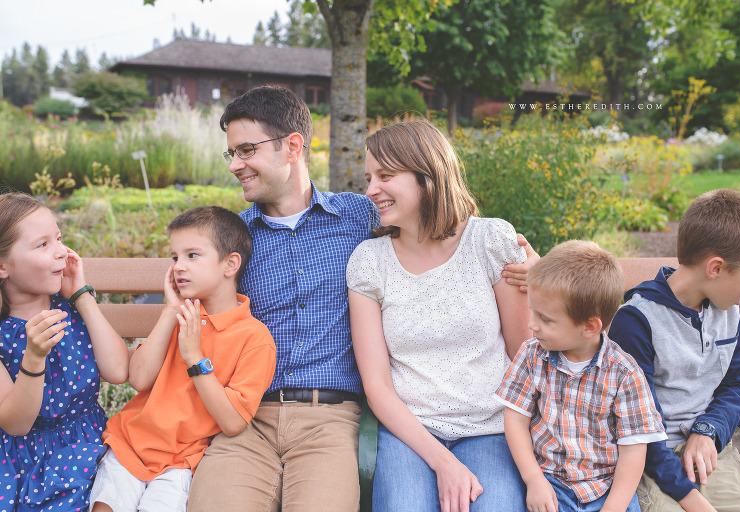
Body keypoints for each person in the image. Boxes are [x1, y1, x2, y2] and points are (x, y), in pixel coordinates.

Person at [187, 86, 538, 512]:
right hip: (247, 415)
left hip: (332, 418)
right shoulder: (232, 242)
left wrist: (540, 272)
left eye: (245, 150)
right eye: (232, 154)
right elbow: (187, 289)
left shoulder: (360, 217)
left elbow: (441, 226)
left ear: (293, 146)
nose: (236, 165)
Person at [346, 120, 531, 512]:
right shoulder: (369, 261)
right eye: (368, 178)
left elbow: (524, 355)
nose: (370, 190)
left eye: (385, 176)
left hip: (492, 428)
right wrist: (443, 462)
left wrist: (548, 278)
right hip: (409, 430)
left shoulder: (490, 241)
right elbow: (377, 385)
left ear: (427, 175)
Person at [90, 206, 276, 512]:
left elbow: (232, 422)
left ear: (230, 264)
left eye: (192, 255)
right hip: (131, 444)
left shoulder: (254, 338)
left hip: (183, 461)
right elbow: (138, 379)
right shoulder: (178, 317)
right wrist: (170, 312)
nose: (179, 266)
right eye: (175, 257)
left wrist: (193, 356)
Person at [608, 188, 740, 512]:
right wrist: (689, 497)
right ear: (716, 268)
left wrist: (708, 430)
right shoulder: (637, 322)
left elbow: (739, 385)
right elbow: (638, 423)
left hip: (710, 454)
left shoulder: (728, 311)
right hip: (651, 461)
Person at [496, 240, 667, 512]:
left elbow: (633, 450)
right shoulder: (532, 355)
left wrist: (614, 507)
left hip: (606, 487)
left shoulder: (624, 374)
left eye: (545, 319)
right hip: (549, 481)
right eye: (533, 312)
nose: (532, 325)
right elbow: (515, 418)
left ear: (589, 327)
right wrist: (533, 480)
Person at [0, 192, 129, 511]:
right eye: (42, 245)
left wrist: (83, 298)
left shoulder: (71, 309)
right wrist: (34, 357)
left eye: (58, 238)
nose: (62, 252)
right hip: (22, 457)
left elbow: (117, 371)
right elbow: (16, 424)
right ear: (2, 266)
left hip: (86, 442)